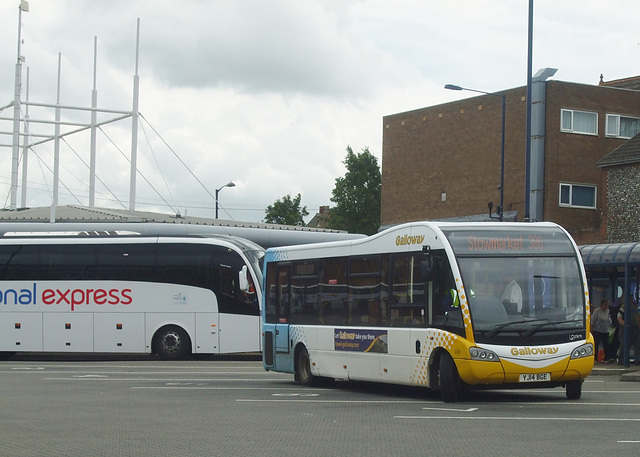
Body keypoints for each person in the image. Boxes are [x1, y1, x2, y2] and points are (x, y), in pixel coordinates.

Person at [617, 298, 640, 365]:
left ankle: (637, 360)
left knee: (637, 345)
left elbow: (638, 315)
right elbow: (619, 317)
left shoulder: (635, 305)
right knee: (624, 345)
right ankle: (621, 360)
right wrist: (625, 325)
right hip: (625, 330)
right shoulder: (624, 306)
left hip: (635, 329)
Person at [591, 299, 612, 363]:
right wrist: (591, 331)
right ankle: (595, 359)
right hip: (597, 330)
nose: (606, 306)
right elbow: (593, 322)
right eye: (605, 305)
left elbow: (609, 320)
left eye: (607, 305)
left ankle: (606, 358)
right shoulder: (597, 311)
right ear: (602, 305)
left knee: (606, 344)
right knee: (596, 344)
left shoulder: (608, 311)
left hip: (605, 330)